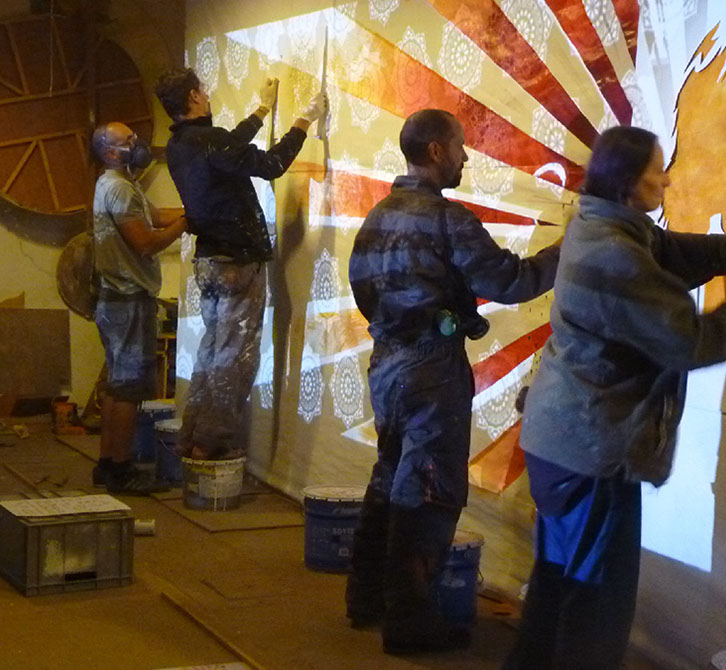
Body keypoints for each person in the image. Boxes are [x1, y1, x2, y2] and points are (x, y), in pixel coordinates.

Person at [502, 126, 726, 670]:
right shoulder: (615, 256)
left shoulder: (597, 224)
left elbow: (664, 250)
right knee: (595, 608)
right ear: (626, 182)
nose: (666, 181)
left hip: (562, 442)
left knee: (556, 588)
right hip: (590, 452)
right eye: (655, 172)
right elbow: (692, 342)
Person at [345, 108, 563, 655]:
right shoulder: (448, 220)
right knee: (429, 488)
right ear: (437, 150)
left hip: (386, 364)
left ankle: (365, 598)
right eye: (461, 146)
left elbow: (362, 291)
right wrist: (567, 250)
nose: (466, 157)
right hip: (431, 369)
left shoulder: (376, 218)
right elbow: (511, 281)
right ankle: (410, 623)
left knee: (390, 472)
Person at [154, 68, 326, 460]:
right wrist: (304, 121)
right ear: (194, 97)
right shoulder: (209, 140)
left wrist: (262, 111)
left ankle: (192, 436)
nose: (207, 95)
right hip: (236, 260)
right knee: (234, 357)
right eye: (203, 91)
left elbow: (227, 148)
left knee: (212, 351)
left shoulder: (180, 144)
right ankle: (211, 443)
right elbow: (271, 165)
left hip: (209, 262)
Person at [91, 122, 187, 494]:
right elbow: (146, 242)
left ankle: (107, 464)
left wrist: (193, 209)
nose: (137, 144)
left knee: (118, 386)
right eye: (127, 141)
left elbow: (155, 216)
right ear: (110, 152)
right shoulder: (119, 189)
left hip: (116, 300)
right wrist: (186, 224)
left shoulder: (116, 184)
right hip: (128, 301)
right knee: (129, 389)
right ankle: (121, 469)